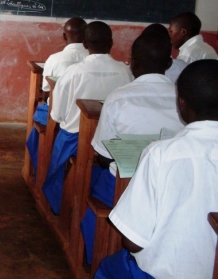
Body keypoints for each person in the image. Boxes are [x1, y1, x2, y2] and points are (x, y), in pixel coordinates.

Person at [95, 59, 218, 279]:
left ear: (181, 102)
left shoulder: (161, 154)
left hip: (160, 274)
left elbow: (132, 242)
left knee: (107, 268)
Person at [81, 32, 184, 264]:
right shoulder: (183, 99)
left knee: (95, 181)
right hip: (174, 184)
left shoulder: (118, 98)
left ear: (133, 63)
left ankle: (93, 257)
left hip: (123, 185)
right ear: (169, 63)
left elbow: (104, 156)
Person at [42, 21, 132, 214]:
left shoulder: (72, 73)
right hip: (112, 143)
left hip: (76, 138)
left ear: (85, 44)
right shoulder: (126, 72)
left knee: (57, 160)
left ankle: (58, 206)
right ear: (111, 43)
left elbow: (57, 115)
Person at [26, 17, 87, 174]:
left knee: (38, 127)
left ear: (64, 36)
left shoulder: (55, 59)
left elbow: (47, 88)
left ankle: (39, 171)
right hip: (91, 117)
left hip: (60, 113)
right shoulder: (93, 59)